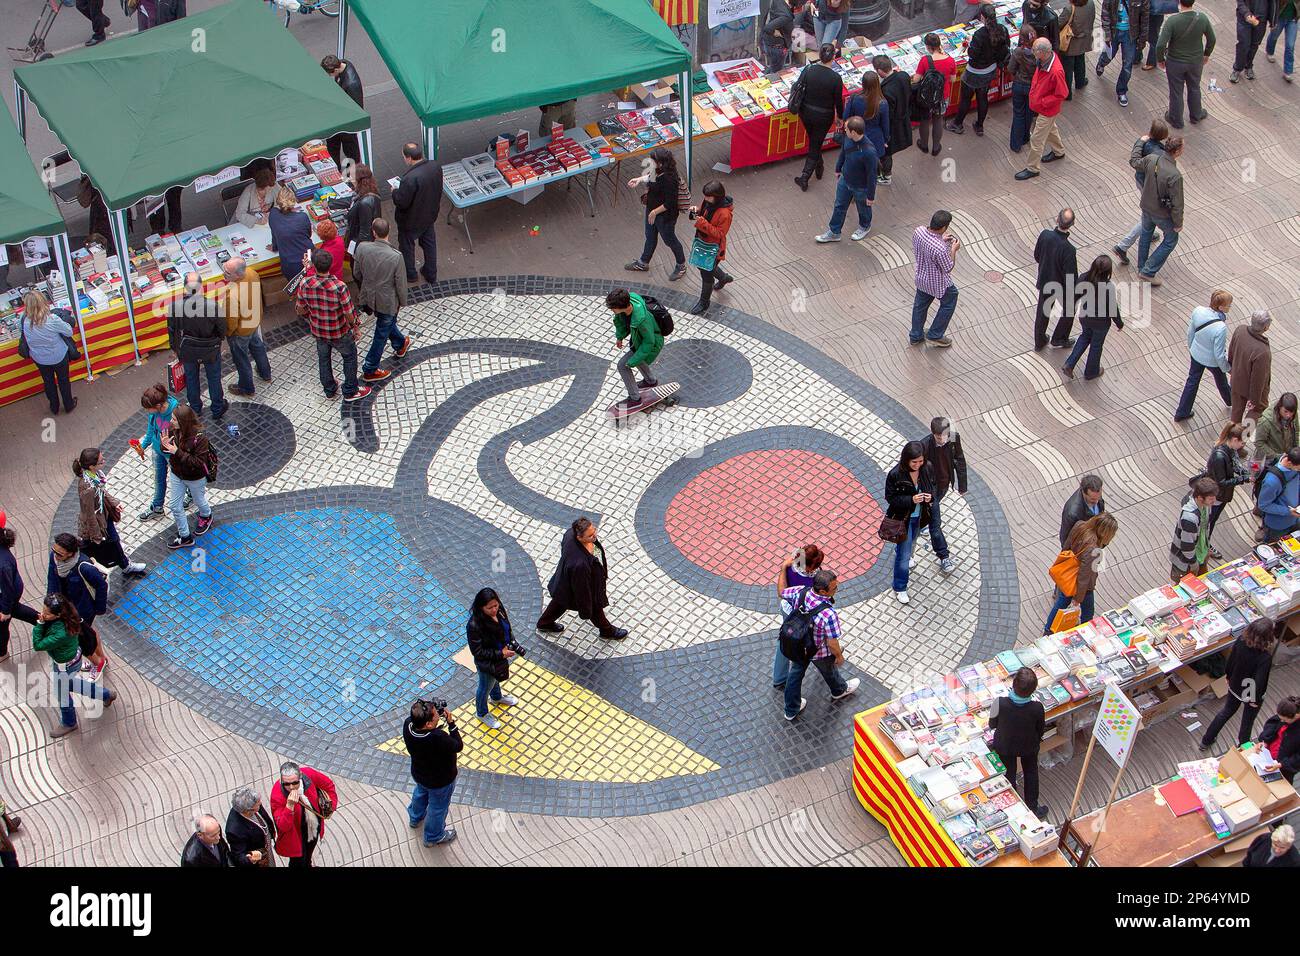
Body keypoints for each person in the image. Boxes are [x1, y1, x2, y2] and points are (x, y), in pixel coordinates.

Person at [778, 569, 859, 720]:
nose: (837, 590)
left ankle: (791, 709)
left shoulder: (800, 591)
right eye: (834, 588)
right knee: (829, 669)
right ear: (822, 591)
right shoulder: (828, 614)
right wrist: (839, 656)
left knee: (794, 677)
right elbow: (832, 642)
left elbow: (782, 592)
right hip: (818, 650)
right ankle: (839, 690)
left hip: (798, 645)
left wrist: (784, 569)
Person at [33, 592, 116, 738]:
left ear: (58, 615)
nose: (43, 614)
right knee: (72, 684)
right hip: (74, 660)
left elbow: (38, 645)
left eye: (47, 613)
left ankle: (69, 722)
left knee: (62, 693)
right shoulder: (70, 618)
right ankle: (106, 695)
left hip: (64, 666)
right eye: (43, 611)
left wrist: (40, 624)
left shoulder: (61, 633)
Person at [296, 249, 372, 402]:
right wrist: (355, 327)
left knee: (323, 359)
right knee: (349, 357)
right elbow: (349, 312)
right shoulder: (339, 287)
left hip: (318, 330)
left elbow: (300, 308)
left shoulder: (305, 283)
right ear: (330, 265)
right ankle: (350, 390)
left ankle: (329, 389)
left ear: (314, 266)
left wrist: (309, 316)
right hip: (339, 332)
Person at [536, 517, 628, 640]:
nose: (594, 536)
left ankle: (544, 623)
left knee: (560, 600)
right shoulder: (580, 565)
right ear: (579, 538)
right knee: (595, 609)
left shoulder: (570, 533)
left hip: (565, 582)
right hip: (583, 585)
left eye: (594, 530)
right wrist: (586, 610)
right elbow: (582, 591)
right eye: (590, 535)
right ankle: (607, 630)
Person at [1199, 617, 1276, 749]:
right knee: (1247, 722)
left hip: (1235, 685)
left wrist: (1229, 676)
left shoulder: (1240, 641)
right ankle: (1243, 747)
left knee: (1226, 712)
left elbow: (1231, 661)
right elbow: (1260, 680)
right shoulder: (1265, 657)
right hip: (1250, 693)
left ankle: (1206, 740)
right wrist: (1254, 699)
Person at [74, 448, 147, 583]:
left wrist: (114, 503)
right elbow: (89, 513)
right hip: (96, 524)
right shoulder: (87, 487)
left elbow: (102, 492)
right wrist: (97, 535)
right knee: (108, 545)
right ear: (91, 466)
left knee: (111, 543)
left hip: (102, 517)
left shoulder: (93, 477)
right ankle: (123, 566)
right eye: (101, 462)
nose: (104, 462)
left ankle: (124, 564)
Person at [353, 218, 412, 384]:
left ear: (373, 232)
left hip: (369, 296)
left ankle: (400, 344)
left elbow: (357, 273)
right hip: (387, 301)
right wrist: (402, 302)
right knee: (381, 333)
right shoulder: (396, 256)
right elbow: (400, 283)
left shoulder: (362, 248)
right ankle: (370, 369)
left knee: (386, 324)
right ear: (389, 230)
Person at [47, 532, 110, 679]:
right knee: (89, 632)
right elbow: (52, 578)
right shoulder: (54, 559)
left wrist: (99, 609)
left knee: (82, 638)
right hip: (67, 606)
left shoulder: (83, 566)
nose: (55, 555)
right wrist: (51, 602)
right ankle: (102, 658)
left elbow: (101, 586)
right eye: (54, 550)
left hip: (83, 609)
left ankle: (98, 663)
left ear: (71, 553)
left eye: (59, 554)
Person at [989, 668, 1049, 819]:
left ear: (1014, 684)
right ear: (1033, 689)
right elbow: (1040, 729)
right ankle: (1033, 807)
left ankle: (1014, 808)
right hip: (1028, 745)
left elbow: (992, 724)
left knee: (1009, 774)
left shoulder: (999, 703)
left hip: (1005, 745)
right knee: (1031, 772)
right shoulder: (1037, 708)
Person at [167, 272, 227, 419]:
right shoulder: (213, 305)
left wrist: (175, 349)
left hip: (187, 350)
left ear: (184, 288)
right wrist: (219, 341)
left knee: (191, 378)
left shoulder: (175, 307)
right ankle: (217, 408)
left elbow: (172, 330)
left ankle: (195, 409)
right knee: (214, 378)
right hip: (210, 348)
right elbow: (221, 328)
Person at [402, 698, 462, 847]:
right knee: (438, 808)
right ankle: (433, 836)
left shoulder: (408, 725)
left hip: (420, 774)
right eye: (436, 715)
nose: (438, 715)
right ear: (428, 724)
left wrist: (428, 709)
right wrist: (451, 724)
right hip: (440, 781)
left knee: (420, 794)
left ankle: (415, 818)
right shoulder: (437, 737)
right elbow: (457, 745)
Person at [1044, 513, 1118, 632]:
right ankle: (1086, 630)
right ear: (1105, 532)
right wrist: (1078, 598)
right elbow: (1084, 576)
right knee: (1088, 611)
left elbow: (1066, 546)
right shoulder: (1093, 550)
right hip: (1082, 585)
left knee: (1061, 603)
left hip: (1068, 575)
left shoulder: (1080, 526)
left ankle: (1048, 630)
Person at [466, 587, 525, 730]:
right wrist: (501, 654)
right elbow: (477, 651)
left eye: (496, 605)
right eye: (489, 607)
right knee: (485, 686)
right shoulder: (474, 625)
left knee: (494, 679)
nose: (494, 610)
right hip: (487, 662)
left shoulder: (499, 610)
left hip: (499, 656)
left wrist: (511, 642)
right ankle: (481, 712)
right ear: (481, 608)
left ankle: (497, 697)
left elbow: (507, 628)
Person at [1113, 119, 1169, 267]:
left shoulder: (1144, 142)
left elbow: (1135, 159)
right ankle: (1123, 246)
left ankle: (1146, 233)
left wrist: (1140, 140)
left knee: (1148, 215)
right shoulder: (1159, 153)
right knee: (1148, 217)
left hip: (1141, 180)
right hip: (1149, 186)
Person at [947, 4, 1011, 134]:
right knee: (983, 98)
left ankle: (957, 123)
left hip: (974, 72)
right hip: (990, 70)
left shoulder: (980, 34)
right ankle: (979, 126)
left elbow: (973, 54)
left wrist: (970, 44)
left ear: (982, 17)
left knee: (966, 99)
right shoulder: (1002, 29)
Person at [1130, 133, 1184, 286]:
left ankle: (1142, 266)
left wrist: (1140, 142)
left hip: (1146, 205)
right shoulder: (1175, 175)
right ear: (1178, 151)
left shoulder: (1152, 159)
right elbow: (1177, 203)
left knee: (1146, 234)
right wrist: (1178, 222)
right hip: (1161, 213)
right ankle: (1148, 271)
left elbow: (1134, 162)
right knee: (1171, 239)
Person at [624, 148, 687, 280]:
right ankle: (643, 263)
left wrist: (654, 212)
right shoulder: (657, 170)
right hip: (652, 211)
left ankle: (681, 265)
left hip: (665, 217)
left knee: (670, 240)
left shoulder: (670, 179)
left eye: (653, 159)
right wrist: (639, 179)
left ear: (660, 163)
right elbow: (650, 177)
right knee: (650, 236)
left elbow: (670, 203)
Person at [886, 441, 936, 604]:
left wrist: (930, 496)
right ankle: (900, 587)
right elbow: (891, 498)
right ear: (906, 459)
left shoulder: (926, 468)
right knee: (904, 554)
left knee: (912, 542)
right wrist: (911, 499)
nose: (918, 465)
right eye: (914, 462)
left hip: (921, 517)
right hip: (904, 520)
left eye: (920, 461)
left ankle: (905, 554)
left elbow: (933, 486)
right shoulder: (895, 474)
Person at [815, 116, 878, 243]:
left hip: (861, 187)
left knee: (863, 208)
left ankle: (865, 226)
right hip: (845, 180)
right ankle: (834, 232)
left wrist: (870, 196)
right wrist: (838, 169)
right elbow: (843, 153)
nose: (844, 130)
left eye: (846, 129)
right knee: (839, 206)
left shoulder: (869, 152)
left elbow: (872, 175)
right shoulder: (848, 140)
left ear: (853, 132)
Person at [1155, 0, 1216, 129]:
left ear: (1179, 2)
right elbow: (1212, 39)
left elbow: (1160, 45)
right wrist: (1206, 54)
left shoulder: (1172, 21)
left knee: (1176, 91)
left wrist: (1160, 59)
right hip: (1195, 61)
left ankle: (1176, 119)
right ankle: (1196, 115)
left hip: (1175, 62)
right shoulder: (1202, 18)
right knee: (1194, 87)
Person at [1173, 290, 1232, 422]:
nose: (1230, 307)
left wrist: (1192, 348)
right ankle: (1230, 400)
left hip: (1196, 354)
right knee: (1221, 381)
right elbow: (1219, 354)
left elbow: (1190, 333)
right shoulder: (1220, 327)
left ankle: (1182, 411)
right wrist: (1228, 368)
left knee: (1192, 382)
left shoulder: (1198, 311)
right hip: (1212, 361)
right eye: (1229, 305)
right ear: (1221, 307)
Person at [773, 545, 827, 688]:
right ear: (810, 566)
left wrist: (783, 567)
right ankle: (829, 660)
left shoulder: (791, 567)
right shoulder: (816, 578)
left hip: (788, 610)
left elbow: (781, 592)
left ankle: (779, 677)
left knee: (785, 639)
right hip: (806, 614)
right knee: (816, 638)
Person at [1061, 254, 1123, 380]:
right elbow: (1112, 308)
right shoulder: (1108, 286)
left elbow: (1075, 295)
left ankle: (1069, 364)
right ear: (1108, 271)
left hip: (1085, 317)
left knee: (1084, 337)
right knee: (1096, 345)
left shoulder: (1084, 277)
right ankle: (1091, 372)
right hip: (1101, 323)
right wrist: (1119, 323)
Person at [161, 406, 214, 550]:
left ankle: (206, 515)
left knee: (198, 500)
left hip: (195, 477)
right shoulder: (173, 429)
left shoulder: (200, 438)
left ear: (183, 421)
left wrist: (177, 451)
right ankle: (185, 536)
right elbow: (167, 449)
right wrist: (164, 444)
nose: (171, 422)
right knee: (174, 505)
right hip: (177, 474)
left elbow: (199, 462)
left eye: (174, 419)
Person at [1015, 39, 1069, 180]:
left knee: (1037, 139)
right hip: (1044, 108)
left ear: (1042, 53)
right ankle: (1059, 151)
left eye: (1034, 50)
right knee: (1051, 129)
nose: (1032, 52)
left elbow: (1062, 93)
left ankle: (1032, 168)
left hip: (1047, 109)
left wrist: (1043, 102)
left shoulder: (1055, 71)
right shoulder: (1045, 61)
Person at [794, 44, 845, 191]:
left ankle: (819, 165)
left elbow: (798, 86)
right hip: (823, 116)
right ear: (833, 58)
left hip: (806, 112)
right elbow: (838, 101)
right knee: (815, 143)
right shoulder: (835, 78)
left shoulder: (809, 70)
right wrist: (840, 117)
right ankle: (805, 177)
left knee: (814, 141)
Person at [920, 417, 967, 574]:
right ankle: (944, 556)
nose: (942, 440)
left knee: (929, 512)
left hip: (944, 485)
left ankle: (921, 521)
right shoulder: (925, 445)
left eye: (944, 436)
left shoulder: (953, 437)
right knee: (935, 523)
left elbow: (959, 459)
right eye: (938, 437)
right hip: (930, 489)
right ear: (933, 434)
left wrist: (962, 484)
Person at [391, 143, 442, 285]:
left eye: (403, 157)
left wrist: (394, 192)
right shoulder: (435, 166)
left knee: (407, 247)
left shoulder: (410, 178)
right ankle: (431, 273)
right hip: (429, 214)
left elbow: (402, 202)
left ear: (409, 158)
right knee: (429, 244)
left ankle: (411, 274)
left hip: (411, 220)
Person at [20, 292, 78, 415]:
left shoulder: (24, 320)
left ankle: (54, 406)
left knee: (48, 381)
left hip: (39, 357)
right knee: (63, 380)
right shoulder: (52, 319)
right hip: (58, 355)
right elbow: (69, 332)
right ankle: (68, 404)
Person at [270, 761, 337, 868]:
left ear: (300, 777)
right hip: (296, 835)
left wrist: (331, 807)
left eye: (295, 783)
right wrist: (289, 806)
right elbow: (283, 826)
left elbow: (328, 784)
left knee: (309, 853)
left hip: (313, 827)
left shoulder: (309, 774)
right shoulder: (277, 794)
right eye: (286, 784)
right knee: (297, 862)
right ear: (282, 780)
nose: (291, 787)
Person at [605, 288, 663, 409]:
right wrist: (620, 337)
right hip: (639, 340)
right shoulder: (626, 306)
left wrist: (632, 362)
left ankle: (635, 399)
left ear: (621, 306)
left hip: (651, 344)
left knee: (623, 365)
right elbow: (621, 322)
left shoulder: (641, 320)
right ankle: (650, 381)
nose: (611, 310)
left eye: (613, 308)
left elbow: (649, 342)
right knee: (637, 356)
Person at [221, 258, 271, 398]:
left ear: (238, 275)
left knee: (241, 359)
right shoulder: (252, 273)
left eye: (227, 273)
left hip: (241, 330)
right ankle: (265, 373)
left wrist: (229, 333)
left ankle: (246, 388)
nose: (224, 275)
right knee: (258, 347)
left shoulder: (232, 293)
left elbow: (231, 320)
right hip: (254, 320)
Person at [911, 210, 959, 347]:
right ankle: (935, 334)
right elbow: (948, 267)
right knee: (950, 300)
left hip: (921, 278)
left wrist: (941, 239)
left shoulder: (918, 231)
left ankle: (915, 336)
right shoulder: (940, 248)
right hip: (938, 283)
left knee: (920, 306)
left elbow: (926, 244)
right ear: (944, 227)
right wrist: (953, 249)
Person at [1032, 208, 1078, 350]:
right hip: (1060, 285)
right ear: (1072, 224)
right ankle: (1059, 337)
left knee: (1043, 310)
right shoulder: (1069, 249)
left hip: (1045, 278)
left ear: (1057, 219)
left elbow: (1037, 255)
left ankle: (1039, 340)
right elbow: (1071, 276)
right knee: (1070, 309)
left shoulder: (1045, 235)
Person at [688, 181, 735, 315]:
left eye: (709, 197)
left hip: (712, 248)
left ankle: (704, 302)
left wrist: (701, 222)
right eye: (705, 196)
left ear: (717, 197)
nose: (706, 199)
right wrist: (696, 211)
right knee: (705, 266)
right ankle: (724, 277)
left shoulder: (725, 214)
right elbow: (703, 213)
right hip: (702, 242)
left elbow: (720, 234)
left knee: (706, 274)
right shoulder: (709, 202)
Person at [1205, 423, 1251, 558]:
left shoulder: (1230, 449)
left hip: (1221, 494)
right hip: (1216, 495)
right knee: (1209, 522)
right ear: (1235, 440)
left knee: (1211, 521)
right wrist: (1243, 479)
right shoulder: (1220, 456)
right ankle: (1204, 545)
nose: (1243, 446)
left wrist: (1246, 473)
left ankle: (1205, 544)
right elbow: (1222, 482)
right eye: (1242, 443)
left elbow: (1236, 466)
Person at [136, 384, 179, 522]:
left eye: (148, 408)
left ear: (159, 405)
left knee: (180, 478)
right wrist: (143, 446)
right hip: (157, 450)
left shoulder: (175, 412)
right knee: (159, 479)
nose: (147, 411)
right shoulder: (154, 413)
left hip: (171, 454)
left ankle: (191, 494)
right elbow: (150, 430)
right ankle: (157, 507)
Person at [1097, 0, 1151, 106]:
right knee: (1109, 55)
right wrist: (1107, 34)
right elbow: (1105, 12)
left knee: (1127, 65)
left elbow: (1145, 18)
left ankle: (1121, 91)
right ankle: (1101, 63)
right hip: (1114, 32)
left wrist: (1142, 39)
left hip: (1130, 35)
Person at [0, 514, 38, 664]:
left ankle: (2, 652)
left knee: (2, 625)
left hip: (6, 595)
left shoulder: (3, 564)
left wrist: (5, 611)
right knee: (17, 610)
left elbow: (8, 591)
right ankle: (43, 621)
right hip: (8, 590)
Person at [912, 34, 957, 157]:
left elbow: (916, 79)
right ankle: (936, 147)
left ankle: (924, 145)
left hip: (926, 97)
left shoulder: (925, 60)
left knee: (925, 120)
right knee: (938, 120)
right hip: (943, 96)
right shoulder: (950, 60)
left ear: (927, 46)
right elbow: (953, 79)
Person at [1170, 475, 1219, 581]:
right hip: (1187, 563)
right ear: (1200, 498)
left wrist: (1206, 549)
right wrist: (1193, 564)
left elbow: (1205, 529)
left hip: (1202, 554)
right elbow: (1186, 546)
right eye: (1211, 498)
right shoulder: (1190, 518)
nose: (1214, 501)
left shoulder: (1205, 506)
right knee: (1185, 588)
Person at [1228, 310, 1272, 424]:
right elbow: (1258, 379)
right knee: (1257, 411)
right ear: (1266, 327)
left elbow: (1231, 353)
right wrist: (1254, 400)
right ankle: (1242, 437)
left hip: (1236, 381)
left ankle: (1231, 437)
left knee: (1236, 412)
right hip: (1250, 388)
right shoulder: (1262, 352)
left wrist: (1233, 371)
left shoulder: (1240, 330)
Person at [874, 55, 913, 183]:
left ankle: (886, 175)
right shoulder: (903, 76)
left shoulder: (886, 90)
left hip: (893, 125)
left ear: (880, 71)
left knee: (886, 152)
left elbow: (887, 115)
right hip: (904, 119)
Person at [321, 55, 363, 167]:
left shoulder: (351, 84)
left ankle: (353, 170)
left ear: (335, 70)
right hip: (338, 117)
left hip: (347, 122)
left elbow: (357, 107)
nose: (330, 76)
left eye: (330, 74)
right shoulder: (344, 63)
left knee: (350, 149)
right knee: (332, 143)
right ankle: (336, 167)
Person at [267, 187, 313, 284]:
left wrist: (274, 247)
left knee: (297, 291)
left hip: (290, 264)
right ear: (294, 201)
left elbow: (274, 235)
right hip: (308, 257)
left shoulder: (273, 215)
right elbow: (308, 235)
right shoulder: (302, 217)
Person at [1255, 446, 1300, 542]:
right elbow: (1263, 505)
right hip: (1278, 526)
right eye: (1298, 468)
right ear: (1290, 463)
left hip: (1295, 519)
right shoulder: (1271, 482)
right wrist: (1288, 511)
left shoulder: (1294, 466)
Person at [226, 787, 277, 867]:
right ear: (248, 810)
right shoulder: (235, 830)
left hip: (266, 851)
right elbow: (239, 855)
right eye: (258, 804)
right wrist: (249, 859)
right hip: (258, 862)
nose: (260, 803)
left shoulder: (253, 802)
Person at [844, 71, 890, 158]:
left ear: (863, 83)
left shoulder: (854, 98)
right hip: (875, 139)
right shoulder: (882, 103)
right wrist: (885, 140)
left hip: (856, 137)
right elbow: (885, 125)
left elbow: (846, 117)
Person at [1008, 25, 1040, 153]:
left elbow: (1011, 69)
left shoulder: (1018, 52)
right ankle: (1025, 138)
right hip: (1032, 87)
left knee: (1018, 114)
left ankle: (1015, 144)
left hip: (1019, 85)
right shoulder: (1039, 52)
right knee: (1029, 113)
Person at [1256, 697, 1300, 783]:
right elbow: (1272, 724)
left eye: (1284, 720)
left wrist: (1282, 764)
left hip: (1284, 767)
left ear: (1296, 716)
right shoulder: (1287, 713)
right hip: (1269, 756)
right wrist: (1265, 741)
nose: (1281, 721)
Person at [1060, 0, 1097, 97]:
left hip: (1070, 43)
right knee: (1080, 61)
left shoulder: (1069, 9)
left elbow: (1059, 24)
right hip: (1084, 40)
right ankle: (1080, 82)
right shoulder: (1090, 3)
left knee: (1067, 68)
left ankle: (1067, 93)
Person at [761, 1, 806, 76]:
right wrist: (775, 32)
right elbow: (767, 28)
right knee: (776, 70)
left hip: (769, 43)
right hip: (777, 47)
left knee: (773, 65)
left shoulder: (779, 3)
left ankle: (767, 75)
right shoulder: (786, 16)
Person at [1231, 0, 1272, 82]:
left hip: (1261, 20)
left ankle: (1248, 66)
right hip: (1245, 18)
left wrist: (1273, 20)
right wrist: (1246, 14)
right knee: (1243, 44)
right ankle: (1237, 69)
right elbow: (1240, 2)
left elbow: (1274, 3)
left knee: (1254, 45)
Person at [1060, 474, 1106, 544]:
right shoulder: (1072, 513)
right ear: (1083, 493)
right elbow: (1066, 539)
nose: (1097, 501)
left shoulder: (1095, 492)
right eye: (1092, 499)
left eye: (1099, 497)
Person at [345, 164, 383, 247]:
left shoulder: (365, 202)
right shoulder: (368, 191)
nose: (350, 179)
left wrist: (357, 249)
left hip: (360, 244)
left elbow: (365, 232)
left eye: (352, 177)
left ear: (358, 179)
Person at [1254, 393, 1298, 460]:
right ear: (1280, 407)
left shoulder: (1292, 413)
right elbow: (1259, 443)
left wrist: (1296, 449)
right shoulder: (1265, 421)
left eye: (1291, 412)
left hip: (1287, 453)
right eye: (1285, 411)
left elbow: (1296, 431)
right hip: (1271, 458)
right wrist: (1276, 456)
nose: (1288, 415)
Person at [1265, 0, 1298, 81]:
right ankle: (1269, 51)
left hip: (1293, 20)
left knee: (1290, 45)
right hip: (1279, 17)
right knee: (1274, 36)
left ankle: (1288, 72)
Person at [1144, 0, 1180, 67]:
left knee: (1153, 37)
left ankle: (1151, 61)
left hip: (1153, 11)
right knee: (1148, 34)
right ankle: (1137, 57)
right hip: (1151, 10)